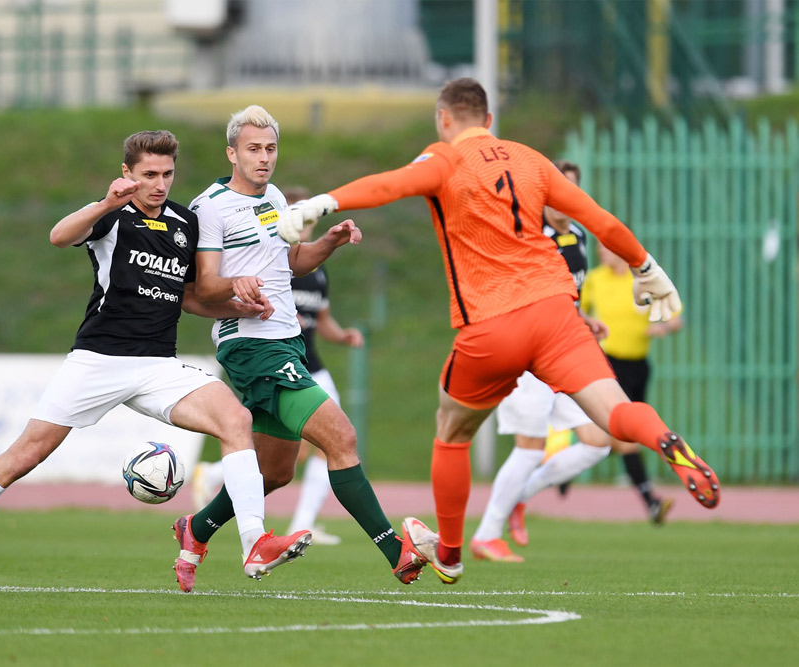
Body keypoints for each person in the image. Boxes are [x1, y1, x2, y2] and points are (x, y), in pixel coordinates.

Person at [277, 77, 719, 586]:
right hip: (556, 314)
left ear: (444, 120)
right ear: (489, 121)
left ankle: (450, 555)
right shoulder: (530, 159)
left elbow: (389, 185)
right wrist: (647, 266)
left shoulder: (443, 159)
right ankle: (663, 438)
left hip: (491, 326)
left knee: (452, 433)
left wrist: (321, 203)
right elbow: (596, 217)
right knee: (616, 414)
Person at [0, 130, 314, 596]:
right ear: (127, 174)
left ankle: (254, 542)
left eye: (167, 174)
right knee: (25, 455)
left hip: (159, 365)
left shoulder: (184, 222)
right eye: (149, 175)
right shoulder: (112, 216)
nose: (159, 184)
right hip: (98, 361)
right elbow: (59, 237)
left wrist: (239, 306)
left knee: (235, 419)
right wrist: (104, 203)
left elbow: (189, 297)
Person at [176, 105, 426, 593]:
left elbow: (291, 261)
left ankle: (196, 529)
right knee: (342, 438)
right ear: (232, 152)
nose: (264, 158)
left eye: (270, 149)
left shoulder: (272, 198)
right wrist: (236, 287)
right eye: (253, 149)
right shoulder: (209, 207)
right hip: (251, 346)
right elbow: (202, 288)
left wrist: (329, 242)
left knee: (274, 472)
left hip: (284, 341)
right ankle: (397, 552)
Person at [191, 185, 365, 546]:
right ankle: (220, 478)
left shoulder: (315, 271)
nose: (304, 220)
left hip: (306, 360)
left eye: (308, 214)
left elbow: (323, 319)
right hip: (275, 357)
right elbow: (209, 288)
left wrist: (343, 335)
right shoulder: (268, 254)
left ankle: (296, 518)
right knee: (318, 444)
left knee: (311, 451)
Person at [469, 160, 615, 563]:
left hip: (566, 350)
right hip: (530, 357)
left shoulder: (579, 235)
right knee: (530, 447)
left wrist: (583, 319)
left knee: (598, 442)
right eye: (555, 194)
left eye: (571, 194)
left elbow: (565, 293)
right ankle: (486, 535)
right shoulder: (530, 236)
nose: (563, 203)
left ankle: (520, 496)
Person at [582, 242, 683, 522]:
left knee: (620, 436)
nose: (603, 252)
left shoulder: (642, 281)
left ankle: (567, 453)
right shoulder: (595, 280)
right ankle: (651, 500)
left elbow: (676, 319)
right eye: (601, 248)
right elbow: (576, 311)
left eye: (609, 247)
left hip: (639, 367)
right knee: (623, 435)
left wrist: (662, 327)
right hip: (609, 366)